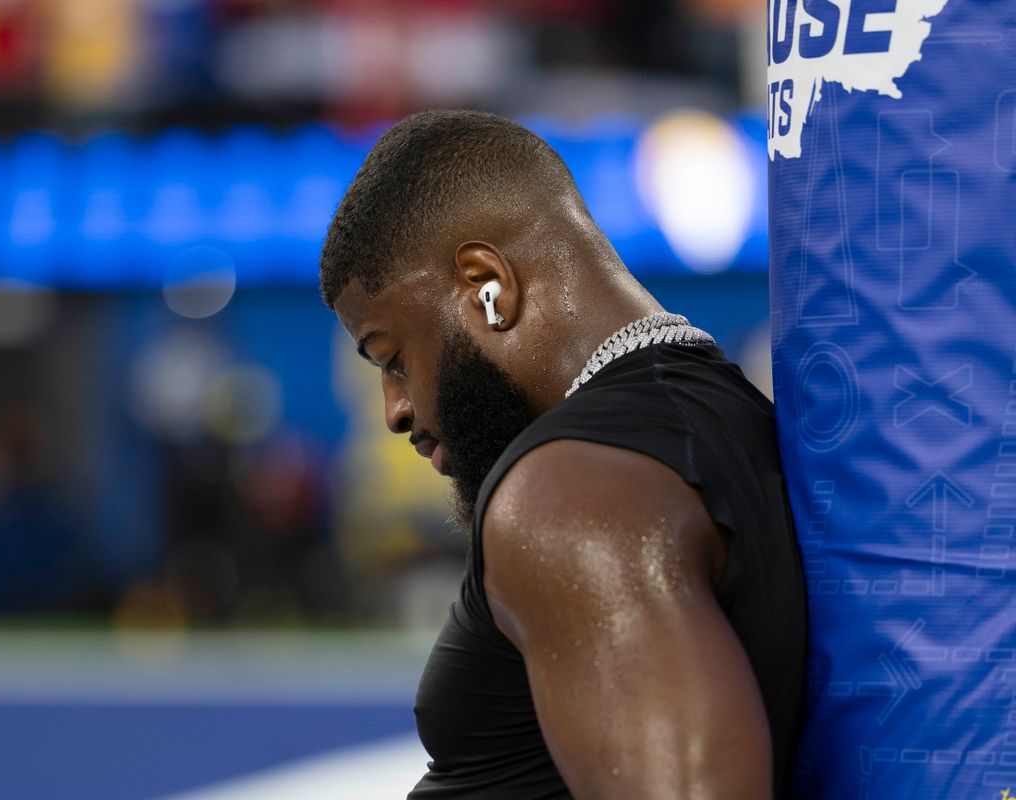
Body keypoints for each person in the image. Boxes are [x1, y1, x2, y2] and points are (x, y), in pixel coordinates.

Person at [320, 110, 807, 799]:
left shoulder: (567, 495)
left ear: (487, 286)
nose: (395, 409)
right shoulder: (722, 416)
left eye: (392, 357)